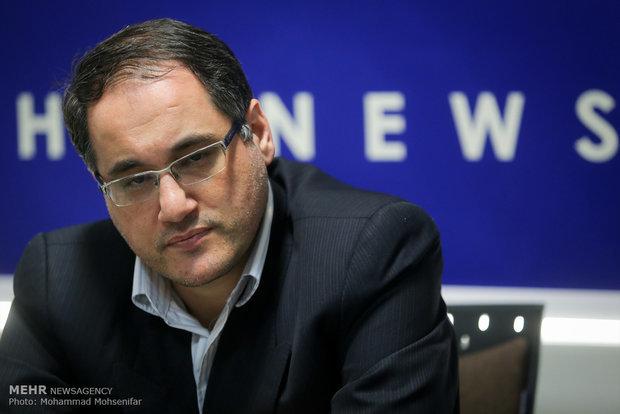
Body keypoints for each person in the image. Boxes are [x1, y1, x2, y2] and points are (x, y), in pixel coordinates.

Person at [0, 18, 459, 413]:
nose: (174, 207)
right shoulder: (58, 279)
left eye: (196, 157)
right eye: (134, 180)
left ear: (258, 133)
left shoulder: (373, 252)